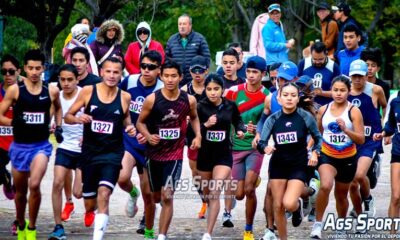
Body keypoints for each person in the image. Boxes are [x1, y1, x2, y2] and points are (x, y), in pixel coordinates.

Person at [64, 57, 136, 240]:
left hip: (112, 154)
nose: (112, 75)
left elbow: (127, 120)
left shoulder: (125, 97)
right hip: (89, 153)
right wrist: (79, 118)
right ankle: (93, 212)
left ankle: (97, 238)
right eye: (108, 71)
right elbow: (68, 116)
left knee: (104, 194)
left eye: (116, 72)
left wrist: (130, 128)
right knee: (89, 203)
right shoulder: (88, 92)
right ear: (101, 72)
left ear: (121, 75)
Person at [0, 49, 62, 239]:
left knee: (34, 184)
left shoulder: (51, 90)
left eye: (38, 68)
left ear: (43, 68)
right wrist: (13, 122)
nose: (34, 72)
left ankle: (32, 228)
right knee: (20, 193)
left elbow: (58, 108)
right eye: (31, 68)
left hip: (40, 146)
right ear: (24, 69)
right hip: (19, 147)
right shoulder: (15, 90)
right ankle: (21, 223)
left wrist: (58, 126)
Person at [136, 60, 201, 240]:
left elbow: (194, 118)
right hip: (153, 154)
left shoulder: (188, 99)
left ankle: (162, 236)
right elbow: (139, 122)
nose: (170, 79)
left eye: (174, 76)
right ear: (161, 76)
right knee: (154, 197)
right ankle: (149, 229)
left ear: (180, 77)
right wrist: (148, 136)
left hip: (174, 155)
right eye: (166, 76)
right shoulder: (152, 100)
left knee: (167, 196)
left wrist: (197, 136)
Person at [257, 82, 322, 240]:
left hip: (298, 164)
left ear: (298, 98)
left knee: (289, 203)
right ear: (278, 98)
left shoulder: (305, 116)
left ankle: (298, 206)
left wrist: (315, 152)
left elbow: (318, 137)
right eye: (285, 95)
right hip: (278, 164)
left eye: (293, 95)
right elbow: (262, 142)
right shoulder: (273, 119)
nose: (289, 98)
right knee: (278, 206)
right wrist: (265, 148)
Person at [309, 75, 365, 239]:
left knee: (341, 195)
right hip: (327, 155)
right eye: (335, 90)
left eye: (342, 90)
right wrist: (310, 148)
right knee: (325, 185)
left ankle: (341, 226)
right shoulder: (323, 110)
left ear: (349, 92)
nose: (338, 93)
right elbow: (317, 133)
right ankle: (317, 226)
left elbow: (361, 139)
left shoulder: (353, 111)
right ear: (331, 91)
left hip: (348, 158)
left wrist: (346, 130)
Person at [117, 50, 164, 238]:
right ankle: (132, 193)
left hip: (151, 145)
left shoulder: (162, 88)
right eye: (143, 65)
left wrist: (151, 134)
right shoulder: (129, 81)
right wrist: (125, 123)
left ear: (159, 70)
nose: (146, 70)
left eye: (151, 67)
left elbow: (168, 119)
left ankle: (149, 231)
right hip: (130, 139)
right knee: (121, 178)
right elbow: (116, 101)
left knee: (150, 195)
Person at [224, 56, 270, 239]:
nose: (251, 76)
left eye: (255, 72)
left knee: (249, 190)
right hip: (235, 147)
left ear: (263, 74)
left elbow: (269, 121)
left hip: (254, 148)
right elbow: (221, 111)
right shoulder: (233, 92)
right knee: (239, 194)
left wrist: (259, 131)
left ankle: (248, 230)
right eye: (249, 72)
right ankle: (251, 179)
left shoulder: (268, 96)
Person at [198, 74, 246, 240]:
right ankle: (210, 207)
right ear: (205, 90)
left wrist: (241, 130)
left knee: (214, 192)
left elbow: (238, 121)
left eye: (216, 89)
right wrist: (206, 125)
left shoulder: (230, 106)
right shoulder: (200, 107)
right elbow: (192, 132)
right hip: (204, 155)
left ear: (222, 89)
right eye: (209, 89)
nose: (213, 92)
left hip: (224, 155)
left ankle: (208, 233)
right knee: (206, 194)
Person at [347, 60, 386, 220]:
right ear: (350, 76)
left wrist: (384, 127)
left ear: (367, 75)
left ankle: (368, 200)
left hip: (370, 139)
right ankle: (359, 206)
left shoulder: (376, 90)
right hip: (351, 140)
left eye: (360, 76)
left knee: (359, 175)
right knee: (352, 181)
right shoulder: (345, 90)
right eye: (354, 76)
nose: (357, 79)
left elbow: (385, 106)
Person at [48, 64, 84, 239]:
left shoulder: (85, 94)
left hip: (84, 149)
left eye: (70, 79)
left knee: (79, 192)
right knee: (57, 183)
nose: (66, 83)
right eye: (62, 79)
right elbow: (51, 114)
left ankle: (90, 203)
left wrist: (89, 137)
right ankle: (58, 227)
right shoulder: (56, 95)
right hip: (65, 147)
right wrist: (51, 126)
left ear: (77, 79)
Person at [181, 55, 208, 219]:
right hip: (192, 137)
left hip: (212, 136)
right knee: (196, 172)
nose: (197, 73)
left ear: (206, 70)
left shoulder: (213, 88)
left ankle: (214, 200)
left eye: (201, 70)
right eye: (194, 70)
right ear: (190, 71)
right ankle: (204, 200)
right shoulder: (184, 90)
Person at [373, 92, 400, 234]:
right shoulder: (396, 101)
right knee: (396, 196)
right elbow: (390, 125)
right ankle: (393, 235)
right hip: (398, 152)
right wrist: (382, 134)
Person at [0, 54, 20, 236]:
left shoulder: (24, 92)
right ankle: (4, 179)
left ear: (18, 72)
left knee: (21, 185)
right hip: (0, 144)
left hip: (20, 144)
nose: (7, 74)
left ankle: (18, 220)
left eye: (11, 71)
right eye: (4, 71)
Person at [165, 14, 211, 87]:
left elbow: (206, 59)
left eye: (184, 24)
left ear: (190, 25)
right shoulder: (171, 40)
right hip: (176, 81)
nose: (182, 26)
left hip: (195, 81)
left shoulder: (200, 38)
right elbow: (167, 60)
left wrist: (203, 74)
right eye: (180, 24)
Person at [297, 41, 340, 107]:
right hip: (306, 106)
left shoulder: (334, 67)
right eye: (314, 59)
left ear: (326, 54)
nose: (317, 62)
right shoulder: (303, 64)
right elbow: (296, 87)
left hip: (326, 106)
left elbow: (338, 93)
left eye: (320, 59)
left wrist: (321, 93)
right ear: (311, 54)